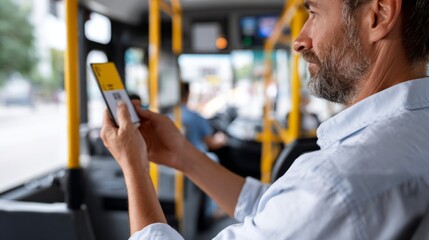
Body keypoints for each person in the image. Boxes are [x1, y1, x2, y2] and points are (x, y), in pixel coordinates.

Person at [100, 0, 429, 239]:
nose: (300, 41)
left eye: (313, 13)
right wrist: (182, 156)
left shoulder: (336, 183)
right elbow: (283, 210)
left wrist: (134, 167)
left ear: (379, 15)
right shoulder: (413, 132)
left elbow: (317, 204)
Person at [178, 82, 227, 152]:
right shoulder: (195, 117)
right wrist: (222, 138)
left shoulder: (167, 116)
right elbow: (211, 143)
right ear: (188, 94)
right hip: (196, 157)